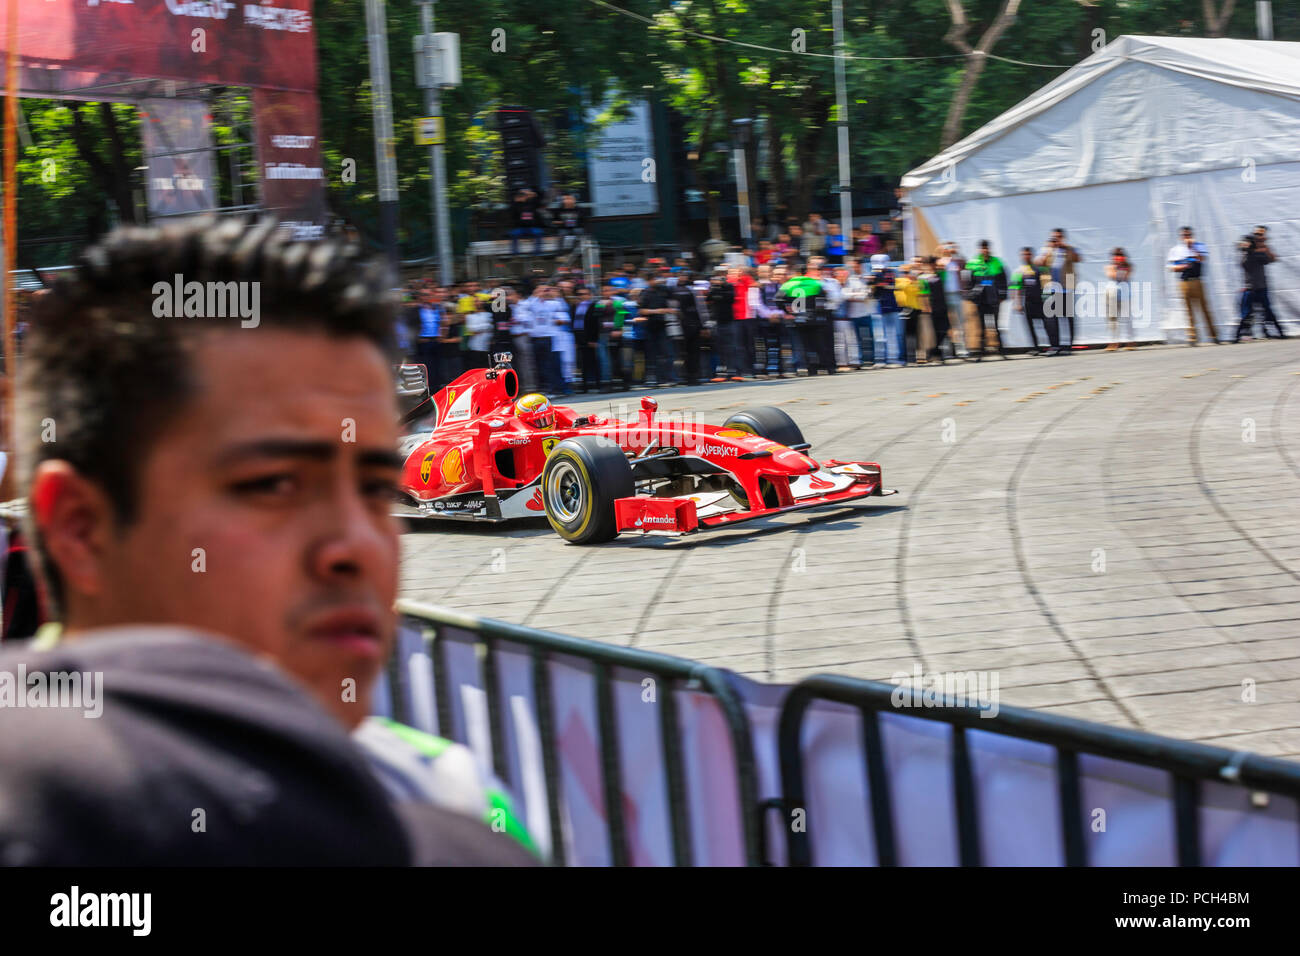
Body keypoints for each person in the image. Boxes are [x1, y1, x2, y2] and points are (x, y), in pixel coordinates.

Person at [9, 216, 536, 864]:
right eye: (274, 484)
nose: (358, 547)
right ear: (80, 529)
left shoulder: (456, 799)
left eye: (375, 488)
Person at [1166, 226, 1217, 345]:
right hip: (1184, 282)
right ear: (1181, 237)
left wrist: (1193, 248)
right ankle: (1192, 337)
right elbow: (1171, 267)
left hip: (1197, 281)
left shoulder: (1199, 246)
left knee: (1205, 308)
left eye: (1189, 235)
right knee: (1188, 310)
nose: (1187, 237)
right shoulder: (1176, 250)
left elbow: (1202, 258)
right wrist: (1182, 267)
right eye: (1184, 235)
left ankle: (1213, 335)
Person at [1035, 228, 1082, 354]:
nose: (1056, 239)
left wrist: (1066, 247)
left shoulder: (1069, 249)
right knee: (1050, 318)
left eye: (1059, 237)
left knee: (1066, 318)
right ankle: (1054, 345)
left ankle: (1067, 346)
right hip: (1050, 287)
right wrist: (1048, 251)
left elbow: (1078, 259)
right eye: (1054, 237)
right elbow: (1038, 263)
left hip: (1066, 288)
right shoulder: (1046, 249)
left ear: (1063, 237)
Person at [1234, 227, 1285, 341]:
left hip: (1261, 286)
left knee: (1268, 311)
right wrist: (1249, 247)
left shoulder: (1261, 251)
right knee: (1246, 313)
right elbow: (1240, 249)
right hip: (1250, 287)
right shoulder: (1246, 253)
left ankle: (1279, 332)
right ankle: (1239, 335)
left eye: (1261, 234)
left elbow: (1271, 259)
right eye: (1257, 234)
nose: (1259, 237)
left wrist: (1263, 248)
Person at [968, 240, 1009, 360]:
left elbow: (1003, 280)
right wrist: (971, 296)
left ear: (989, 249)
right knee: (981, 328)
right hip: (981, 300)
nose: (985, 250)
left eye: (986, 248)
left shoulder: (997, 262)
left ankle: (1002, 351)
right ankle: (980, 353)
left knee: (996, 326)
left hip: (994, 300)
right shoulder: (973, 263)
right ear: (980, 250)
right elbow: (968, 282)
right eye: (982, 248)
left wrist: (1002, 296)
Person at [1009, 247, 1052, 355]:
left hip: (1041, 302)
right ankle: (1035, 347)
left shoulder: (1039, 269)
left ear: (1031, 255)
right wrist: (1017, 304)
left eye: (1028, 254)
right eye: (1024, 254)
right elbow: (1016, 288)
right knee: (1030, 326)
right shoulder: (1018, 271)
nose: (1026, 256)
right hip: (1028, 303)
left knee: (1046, 325)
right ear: (1021, 256)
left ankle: (1051, 346)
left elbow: (1046, 286)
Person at [1104, 247, 1135, 351]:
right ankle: (1113, 342)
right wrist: (1117, 267)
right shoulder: (1109, 266)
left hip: (1124, 294)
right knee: (1113, 320)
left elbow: (1125, 277)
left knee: (1127, 319)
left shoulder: (1129, 266)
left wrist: (1121, 267)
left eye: (1120, 255)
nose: (1118, 257)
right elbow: (1112, 276)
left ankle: (1130, 342)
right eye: (1116, 255)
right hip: (1112, 294)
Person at [508, 187, 544, 255]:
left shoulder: (532, 204)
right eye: (523, 195)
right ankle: (515, 253)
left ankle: (537, 253)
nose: (524, 197)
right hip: (521, 228)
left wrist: (529, 192)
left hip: (532, 227)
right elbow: (512, 203)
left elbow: (541, 195)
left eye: (525, 196)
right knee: (513, 234)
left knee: (539, 233)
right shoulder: (516, 205)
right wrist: (519, 194)